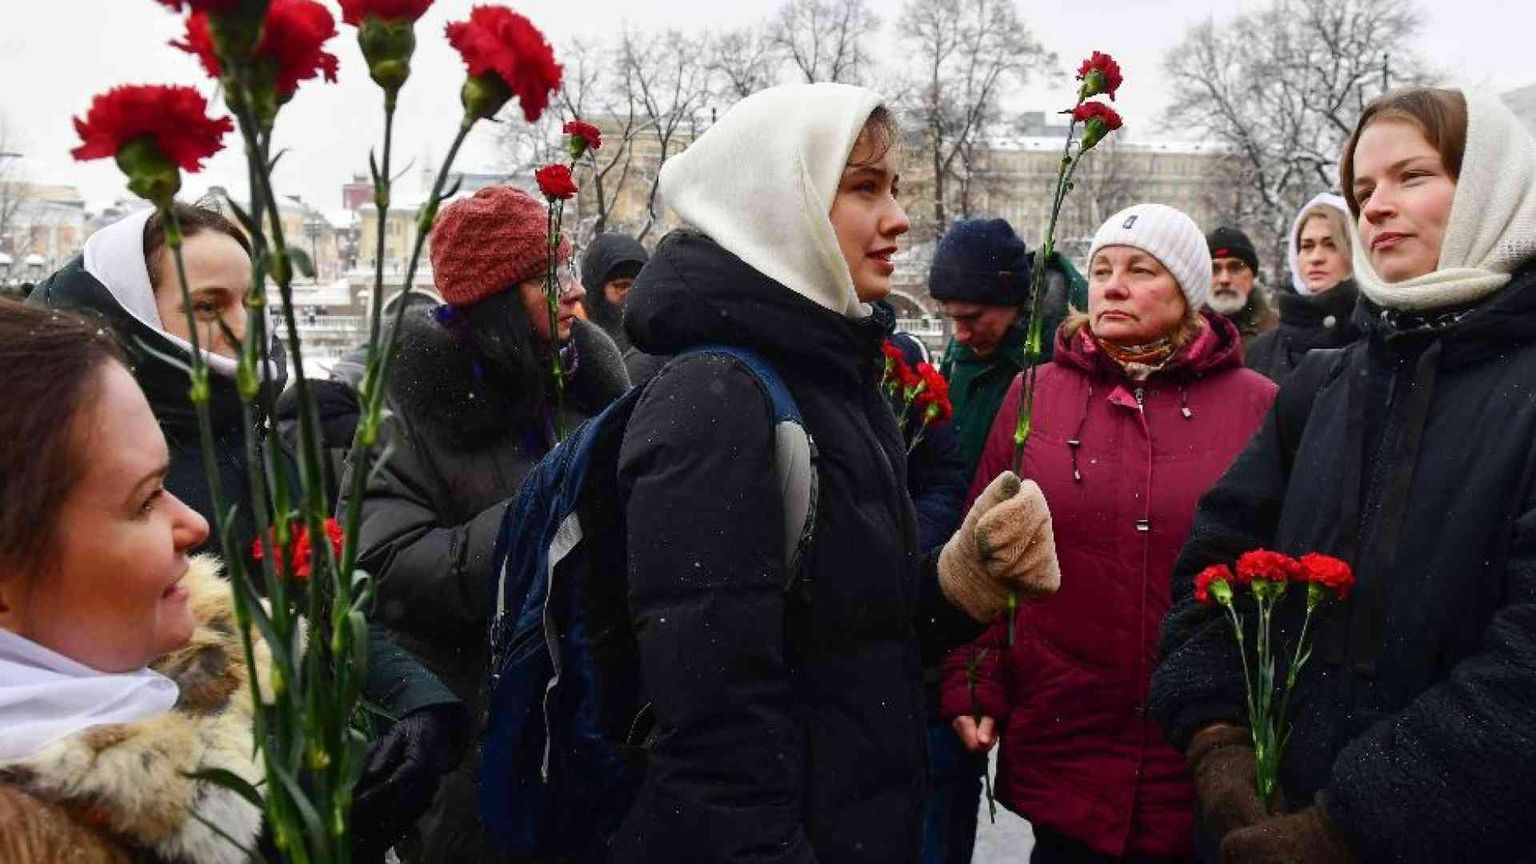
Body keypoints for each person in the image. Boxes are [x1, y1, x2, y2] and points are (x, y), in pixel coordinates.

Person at [610, 81, 1060, 863]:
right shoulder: (717, 399)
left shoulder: (832, 375)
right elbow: (717, 738)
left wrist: (957, 583)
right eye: (863, 188)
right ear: (776, 204)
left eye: (893, 187)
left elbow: (844, 641)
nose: (898, 218)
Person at [1150, 87, 1536, 863]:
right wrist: (1220, 744)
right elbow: (1213, 569)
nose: (1377, 209)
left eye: (1412, 176)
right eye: (1363, 190)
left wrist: (1354, 823)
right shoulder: (1323, 384)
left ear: (1494, 183)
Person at [28, 204, 466, 862]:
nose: (241, 330)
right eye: (208, 306)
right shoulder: (71, 458)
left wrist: (413, 698)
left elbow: (315, 597)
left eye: (252, 302)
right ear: (132, 310)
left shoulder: (257, 439)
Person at [941, 203, 1278, 863]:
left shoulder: (1260, 404)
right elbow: (983, 555)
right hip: (1068, 736)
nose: (1113, 285)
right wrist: (974, 679)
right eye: (1101, 269)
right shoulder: (1033, 395)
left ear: (1188, 290)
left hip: (1204, 752)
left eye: (1140, 270)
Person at [348, 185, 630, 860]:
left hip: (588, 725)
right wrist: (543, 512)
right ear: (496, 299)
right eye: (545, 278)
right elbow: (388, 569)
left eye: (566, 268)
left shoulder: (587, 386)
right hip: (478, 737)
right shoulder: (403, 408)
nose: (571, 292)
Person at [931, 217, 1088, 474]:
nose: (960, 335)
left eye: (972, 317)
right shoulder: (966, 348)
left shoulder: (1075, 350)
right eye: (953, 318)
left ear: (1012, 299)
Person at [1244, 194, 1363, 383]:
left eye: (1330, 245)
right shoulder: (1262, 351)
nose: (1316, 258)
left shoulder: (1374, 339)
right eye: (1307, 246)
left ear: (1355, 251)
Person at [580, 231, 649, 367]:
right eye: (622, 286)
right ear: (596, 291)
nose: (632, 294)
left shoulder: (658, 342)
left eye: (639, 285)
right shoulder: (574, 343)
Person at [1206, 226, 1276, 345]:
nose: (1224, 279)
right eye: (1214, 269)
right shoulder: (1183, 334)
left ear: (1253, 275)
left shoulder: (1278, 332)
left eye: (1236, 267)